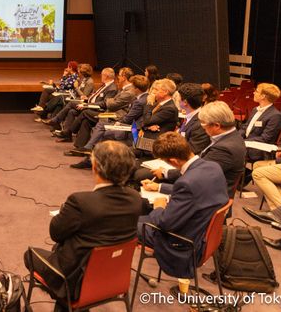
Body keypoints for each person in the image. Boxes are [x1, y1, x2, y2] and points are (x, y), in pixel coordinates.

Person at [24, 141, 142, 302]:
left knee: (30, 255)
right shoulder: (135, 198)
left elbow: (56, 233)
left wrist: (66, 210)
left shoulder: (81, 201)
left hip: (75, 281)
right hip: (114, 276)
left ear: (95, 168)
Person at [139, 132, 228, 279]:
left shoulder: (186, 183)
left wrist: (159, 207)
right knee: (144, 215)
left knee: (128, 224)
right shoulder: (213, 167)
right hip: (203, 233)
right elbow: (195, 191)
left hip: (182, 241)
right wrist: (160, 188)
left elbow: (164, 223)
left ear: (173, 161)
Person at [68, 75, 149, 165]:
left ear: (136, 88)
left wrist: (117, 122)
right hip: (127, 122)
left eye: (132, 86)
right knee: (89, 121)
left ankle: (91, 157)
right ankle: (88, 153)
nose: (131, 87)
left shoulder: (139, 101)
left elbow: (127, 117)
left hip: (132, 130)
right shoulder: (142, 98)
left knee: (103, 131)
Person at [51, 67, 118, 140]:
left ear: (106, 76)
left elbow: (105, 103)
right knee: (72, 111)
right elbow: (94, 96)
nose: (101, 76)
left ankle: (59, 123)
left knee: (71, 104)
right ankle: (67, 134)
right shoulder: (104, 85)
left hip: (97, 110)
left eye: (101, 75)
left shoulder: (112, 88)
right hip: (89, 104)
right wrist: (87, 99)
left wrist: (86, 105)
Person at [240, 83, 281, 162]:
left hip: (258, 149)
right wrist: (236, 137)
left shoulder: (276, 116)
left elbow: (265, 138)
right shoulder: (255, 109)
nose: (254, 93)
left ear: (263, 96)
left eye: (256, 91)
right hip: (246, 143)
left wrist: (243, 142)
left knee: (225, 151)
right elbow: (245, 127)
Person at [177, 83, 211, 154]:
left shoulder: (200, 124)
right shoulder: (189, 117)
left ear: (185, 102)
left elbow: (192, 151)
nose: (177, 99)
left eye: (179, 97)